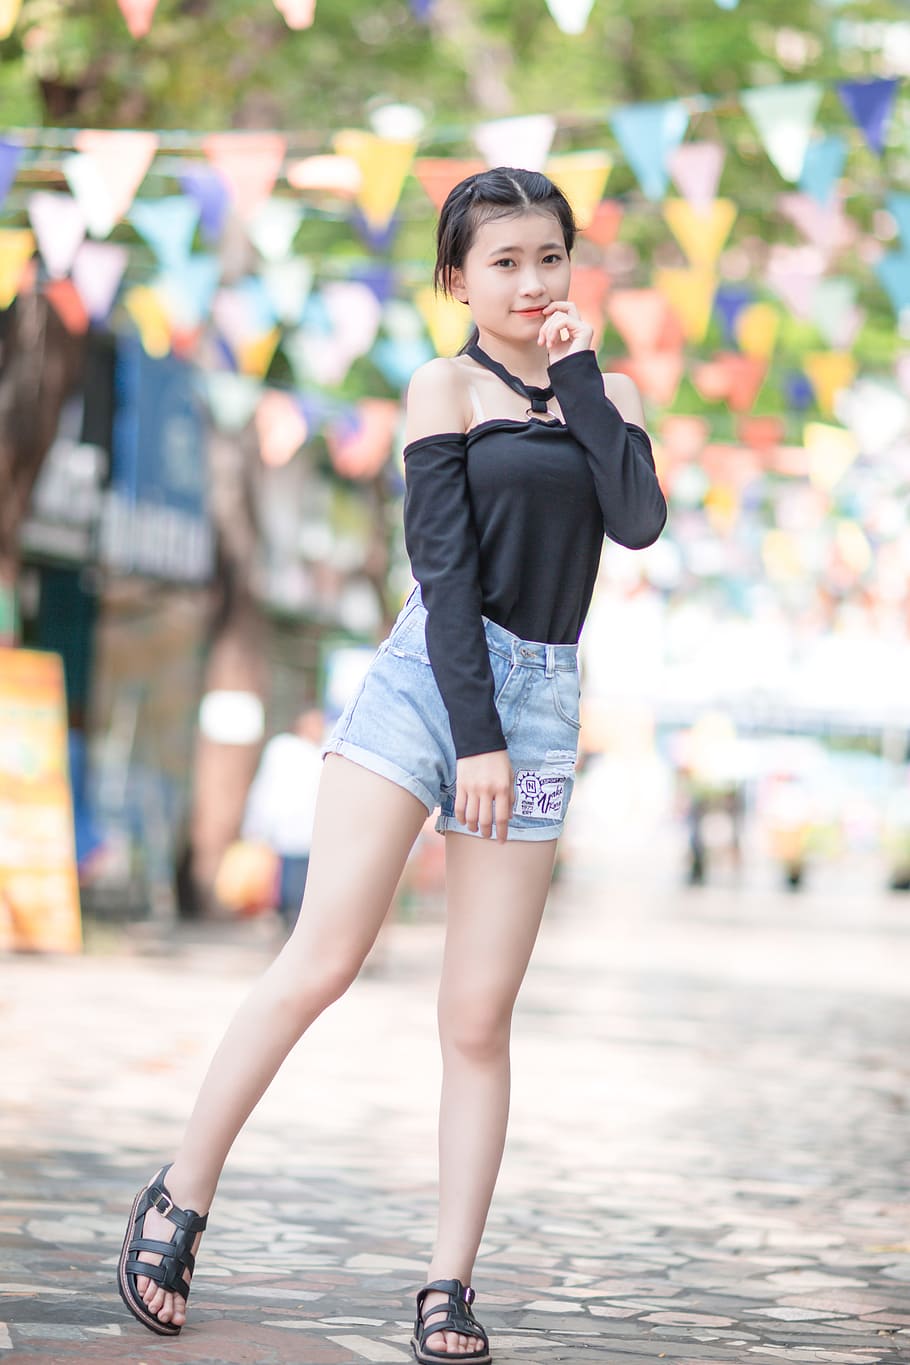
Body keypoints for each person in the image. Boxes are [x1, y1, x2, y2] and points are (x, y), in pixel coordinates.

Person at [117, 166, 668, 1364]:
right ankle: (181, 1191)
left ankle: (447, 1282)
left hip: (544, 698)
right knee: (323, 956)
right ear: (455, 280)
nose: (530, 282)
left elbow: (636, 522)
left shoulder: (606, 389)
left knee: (477, 1014)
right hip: (431, 681)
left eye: (548, 258)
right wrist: (471, 737)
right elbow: (447, 572)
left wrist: (577, 378)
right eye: (503, 262)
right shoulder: (441, 385)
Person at [240, 707, 325, 932]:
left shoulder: (321, 753)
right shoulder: (283, 750)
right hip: (284, 828)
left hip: (309, 831)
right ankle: (285, 918)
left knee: (301, 882)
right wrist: (256, 822)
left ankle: (293, 922)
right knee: (283, 881)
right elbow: (266, 785)